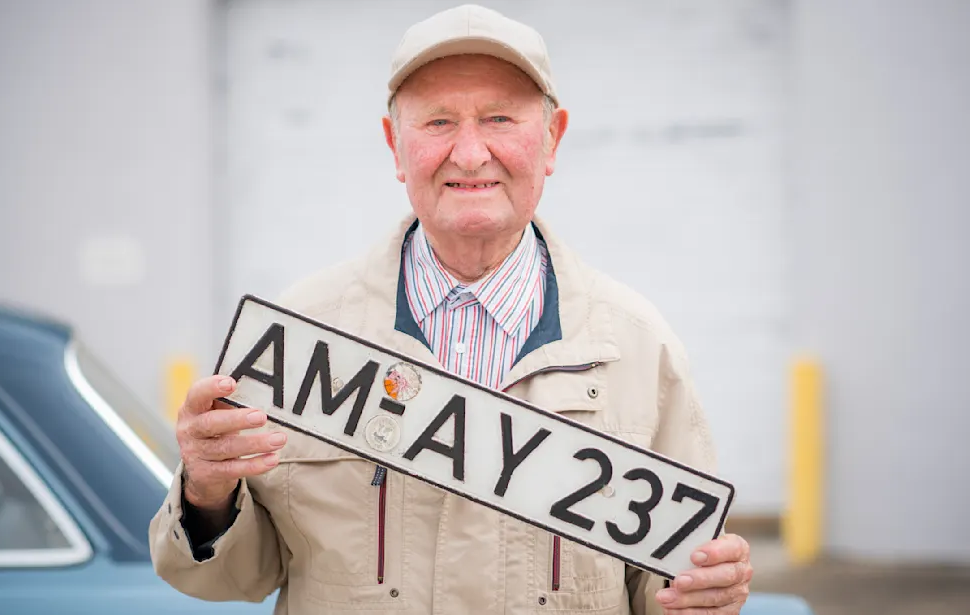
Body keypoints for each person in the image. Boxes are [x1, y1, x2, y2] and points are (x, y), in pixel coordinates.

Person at [149, 4, 753, 614]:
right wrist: (208, 491)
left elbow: (666, 587)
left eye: (499, 118)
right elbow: (231, 582)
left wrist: (702, 594)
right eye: (438, 121)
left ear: (551, 139)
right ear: (395, 144)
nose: (469, 153)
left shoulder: (637, 348)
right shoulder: (299, 338)